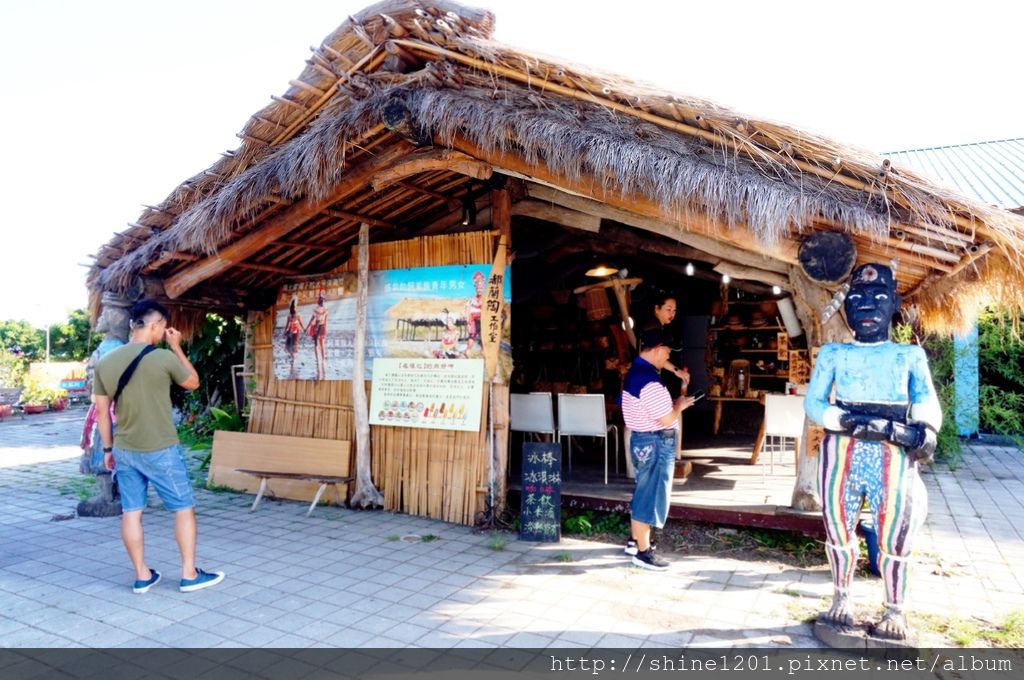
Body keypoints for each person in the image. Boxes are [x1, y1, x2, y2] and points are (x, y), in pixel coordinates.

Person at [804, 263, 940, 640]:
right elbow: (814, 403)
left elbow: (926, 400)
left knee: (896, 529)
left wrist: (923, 430)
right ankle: (841, 598)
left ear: (894, 304)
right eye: (858, 299)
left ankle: (895, 609)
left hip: (892, 450)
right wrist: (843, 420)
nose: (867, 307)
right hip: (842, 448)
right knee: (838, 526)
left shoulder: (909, 356)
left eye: (879, 299)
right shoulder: (833, 354)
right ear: (846, 305)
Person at [93, 300, 225, 594]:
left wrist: (107, 450)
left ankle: (142, 575)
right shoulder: (162, 358)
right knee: (183, 508)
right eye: (164, 327)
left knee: (132, 511)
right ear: (155, 325)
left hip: (125, 449)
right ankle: (189, 574)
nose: (165, 332)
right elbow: (193, 382)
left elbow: (103, 413)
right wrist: (176, 347)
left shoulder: (105, 363)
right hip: (161, 448)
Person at [620, 328, 697, 571]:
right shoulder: (649, 381)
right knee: (649, 495)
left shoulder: (638, 372)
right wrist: (680, 405)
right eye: (666, 353)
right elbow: (665, 419)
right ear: (657, 350)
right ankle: (643, 553)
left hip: (645, 441)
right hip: (655, 442)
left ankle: (636, 542)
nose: (667, 358)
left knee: (644, 490)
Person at [307, 289, 329, 380]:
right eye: (321, 300)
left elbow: (312, 320)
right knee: (320, 345)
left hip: (318, 327)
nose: (320, 301)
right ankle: (321, 360)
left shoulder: (317, 310)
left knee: (318, 345)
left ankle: (320, 360)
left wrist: (307, 327)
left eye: (320, 300)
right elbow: (324, 322)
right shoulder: (324, 310)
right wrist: (325, 329)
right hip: (320, 327)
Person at [283, 295, 305, 378]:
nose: (294, 311)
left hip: (296, 332)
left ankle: (294, 359)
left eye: (294, 309)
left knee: (294, 346)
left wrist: (304, 329)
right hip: (290, 332)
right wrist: (285, 331)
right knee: (288, 347)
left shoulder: (297, 315)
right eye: (293, 309)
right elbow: (287, 324)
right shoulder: (289, 316)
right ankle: (293, 357)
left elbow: (301, 323)